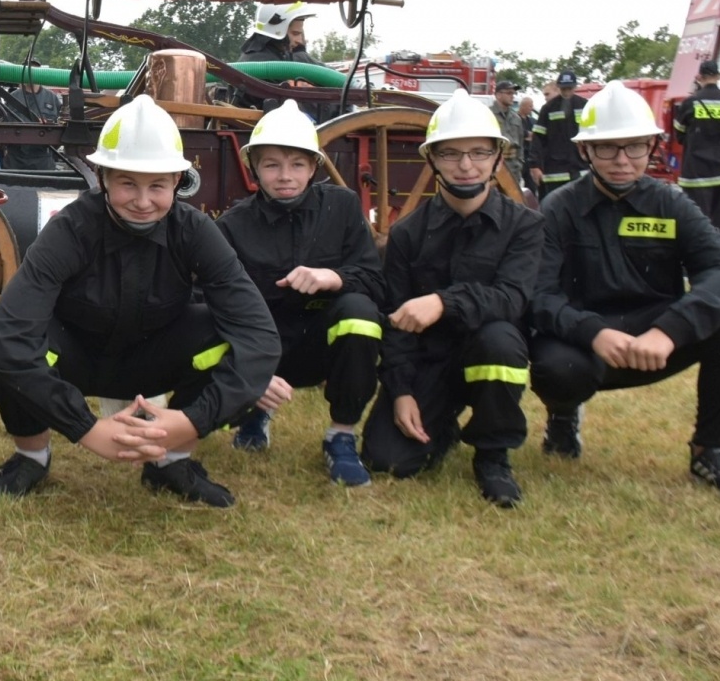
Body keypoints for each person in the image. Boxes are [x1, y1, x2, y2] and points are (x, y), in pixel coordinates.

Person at [0, 95, 281, 507]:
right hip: (77, 358)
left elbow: (258, 335)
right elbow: (11, 333)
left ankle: (171, 461)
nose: (142, 201)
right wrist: (86, 428)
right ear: (103, 178)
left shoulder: (195, 231)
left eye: (157, 185)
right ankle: (31, 457)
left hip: (155, 358)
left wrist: (194, 420)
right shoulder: (69, 229)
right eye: (127, 183)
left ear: (178, 181)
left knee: (222, 335)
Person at [529, 81, 720, 503]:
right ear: (585, 151)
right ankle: (563, 414)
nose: (623, 160)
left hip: (657, 338)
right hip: (585, 344)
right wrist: (593, 333)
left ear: (652, 146)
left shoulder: (671, 204)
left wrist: (670, 330)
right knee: (556, 370)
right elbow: (539, 295)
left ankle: (711, 450)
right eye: (607, 148)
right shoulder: (559, 208)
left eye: (635, 146)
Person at [362, 89, 544, 507]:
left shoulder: (524, 227)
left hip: (489, 350)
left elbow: (512, 297)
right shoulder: (407, 234)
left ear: (498, 157)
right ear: (431, 159)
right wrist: (401, 391)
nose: (465, 166)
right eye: (450, 154)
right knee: (387, 460)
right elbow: (395, 322)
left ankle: (493, 456)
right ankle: (441, 424)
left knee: (500, 340)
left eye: (479, 153)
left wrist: (443, 302)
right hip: (430, 361)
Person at [216, 105, 385, 481]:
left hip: (322, 347)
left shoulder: (343, 207)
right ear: (254, 168)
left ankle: (341, 436)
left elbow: (376, 282)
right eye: (272, 165)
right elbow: (214, 305)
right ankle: (254, 412)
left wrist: (334, 277)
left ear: (313, 167)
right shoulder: (232, 227)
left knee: (360, 313)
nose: (285, 176)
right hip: (262, 350)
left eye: (297, 164)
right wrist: (248, 374)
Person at [674, 60, 720, 240]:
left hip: (696, 172)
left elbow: (679, 134)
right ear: (719, 77)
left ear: (699, 77)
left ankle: (698, 253)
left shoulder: (689, 103)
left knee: (695, 223)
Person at [235, 2, 321, 110]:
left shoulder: (269, 56)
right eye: (295, 33)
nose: (299, 40)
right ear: (278, 31)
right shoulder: (267, 65)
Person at [527, 71, 587, 200]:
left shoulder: (585, 106)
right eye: (564, 89)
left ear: (575, 87)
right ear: (559, 88)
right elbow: (538, 138)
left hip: (581, 170)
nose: (567, 92)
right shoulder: (548, 108)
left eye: (569, 88)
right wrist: (534, 165)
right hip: (555, 171)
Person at [5, 62, 62, 171]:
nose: (31, 73)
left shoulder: (52, 98)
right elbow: (4, 126)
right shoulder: (12, 97)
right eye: (28, 70)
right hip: (16, 159)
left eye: (35, 70)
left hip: (43, 159)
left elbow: (60, 128)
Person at [489, 80, 525, 190]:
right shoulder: (488, 114)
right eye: (509, 93)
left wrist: (519, 164)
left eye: (513, 93)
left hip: (514, 169)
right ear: (498, 95)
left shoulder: (516, 118)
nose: (512, 96)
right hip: (494, 169)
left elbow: (520, 145)